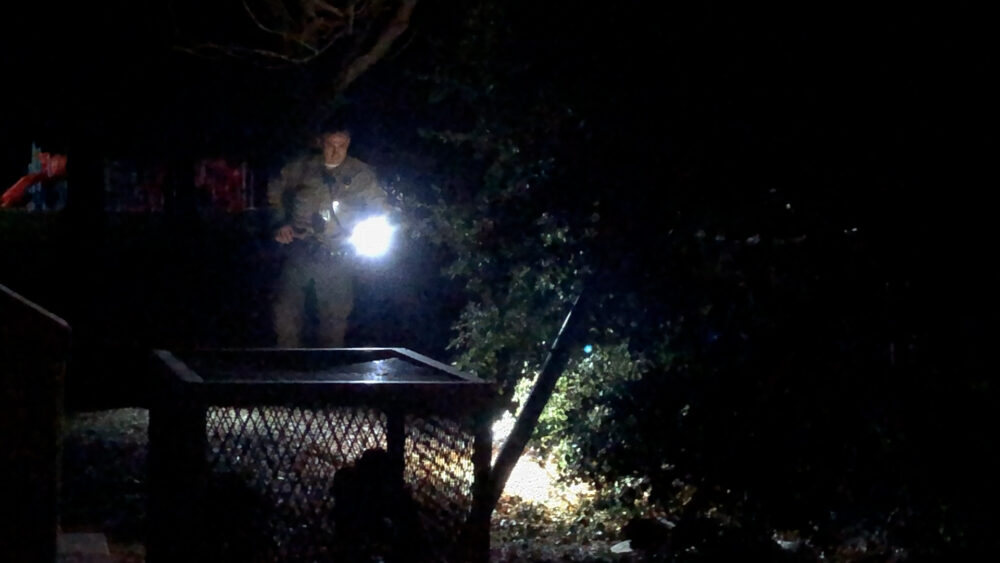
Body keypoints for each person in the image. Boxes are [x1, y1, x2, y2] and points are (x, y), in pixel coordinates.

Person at [267, 123, 388, 347]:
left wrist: (372, 234)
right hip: (301, 249)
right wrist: (280, 222)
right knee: (285, 314)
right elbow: (274, 190)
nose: (335, 151)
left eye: (341, 145)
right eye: (330, 144)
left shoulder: (361, 174)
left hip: (338, 254)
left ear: (348, 144)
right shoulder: (301, 168)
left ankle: (329, 365)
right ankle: (287, 361)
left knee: (335, 319)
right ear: (321, 143)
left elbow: (380, 207)